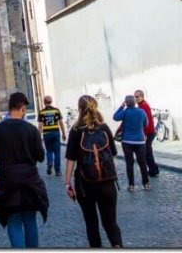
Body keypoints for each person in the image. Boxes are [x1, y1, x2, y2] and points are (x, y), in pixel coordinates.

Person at [0, 92, 49, 248]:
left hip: (8, 181)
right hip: (30, 180)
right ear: (22, 108)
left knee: (13, 221)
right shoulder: (31, 130)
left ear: (9, 108)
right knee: (30, 220)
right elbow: (41, 157)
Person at [64, 95, 123, 248]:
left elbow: (70, 159)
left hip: (85, 184)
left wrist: (67, 183)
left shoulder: (76, 130)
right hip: (107, 182)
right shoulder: (103, 128)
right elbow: (114, 153)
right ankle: (117, 246)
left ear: (79, 109)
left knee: (91, 223)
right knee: (110, 222)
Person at [113, 95, 150, 191]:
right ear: (134, 102)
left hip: (127, 141)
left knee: (129, 164)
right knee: (142, 163)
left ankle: (131, 185)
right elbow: (146, 124)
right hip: (140, 141)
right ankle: (146, 184)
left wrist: (121, 107)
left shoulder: (125, 112)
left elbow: (115, 117)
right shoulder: (141, 111)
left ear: (126, 103)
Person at [38, 95, 67, 176]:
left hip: (47, 134)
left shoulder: (41, 112)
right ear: (51, 102)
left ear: (44, 102)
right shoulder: (56, 110)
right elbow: (61, 123)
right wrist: (64, 133)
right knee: (57, 152)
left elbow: (40, 126)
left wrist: (38, 136)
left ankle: (50, 162)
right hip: (55, 133)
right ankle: (58, 171)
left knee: (49, 150)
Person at [134, 90, 160, 177]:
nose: (135, 98)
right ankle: (153, 169)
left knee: (147, 152)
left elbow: (145, 121)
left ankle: (153, 170)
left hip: (148, 132)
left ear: (142, 96)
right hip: (149, 132)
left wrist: (144, 134)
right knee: (148, 152)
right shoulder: (141, 105)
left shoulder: (143, 106)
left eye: (137, 97)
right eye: (135, 97)